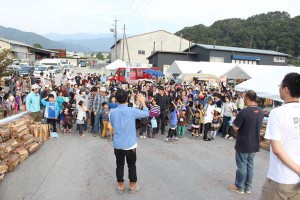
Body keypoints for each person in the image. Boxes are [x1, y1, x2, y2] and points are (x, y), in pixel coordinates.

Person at [260, 73, 300, 200]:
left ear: (286, 89)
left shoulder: (278, 113)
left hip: (281, 178)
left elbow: (277, 149)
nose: (279, 89)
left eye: (280, 86)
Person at [110, 89, 149, 194]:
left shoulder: (112, 112)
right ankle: (132, 186)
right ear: (127, 98)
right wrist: (142, 101)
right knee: (131, 165)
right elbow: (146, 113)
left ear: (116, 99)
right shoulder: (131, 110)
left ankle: (120, 186)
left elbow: (113, 125)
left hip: (118, 144)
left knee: (119, 164)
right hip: (130, 144)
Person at [228, 90, 264, 195]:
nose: (243, 98)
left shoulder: (243, 112)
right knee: (250, 165)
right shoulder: (261, 111)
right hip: (254, 142)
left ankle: (240, 187)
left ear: (247, 98)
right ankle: (248, 187)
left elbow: (235, 127)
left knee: (242, 165)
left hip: (243, 142)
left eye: (244, 97)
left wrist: (235, 122)